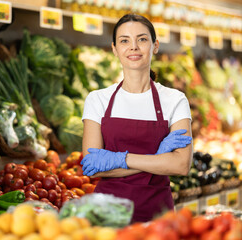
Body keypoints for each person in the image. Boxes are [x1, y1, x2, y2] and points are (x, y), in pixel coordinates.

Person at [81, 13, 193, 223]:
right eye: (124, 40)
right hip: (107, 215)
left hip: (158, 216)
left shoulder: (175, 100)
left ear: (155, 46)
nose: (133, 47)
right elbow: (92, 169)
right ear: (115, 49)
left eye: (142, 39)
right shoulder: (98, 100)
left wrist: (119, 159)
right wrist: (158, 157)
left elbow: (180, 165)